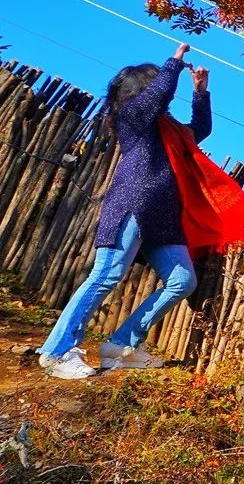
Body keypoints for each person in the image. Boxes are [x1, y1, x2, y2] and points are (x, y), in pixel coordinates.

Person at [38, 43, 227, 380]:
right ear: (140, 91)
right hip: (132, 206)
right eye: (154, 84)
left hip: (163, 220)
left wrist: (200, 93)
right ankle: (57, 350)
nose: (163, 92)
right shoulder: (131, 119)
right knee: (105, 275)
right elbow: (158, 98)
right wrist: (173, 63)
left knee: (182, 281)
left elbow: (200, 131)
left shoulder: (168, 131)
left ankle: (121, 346)